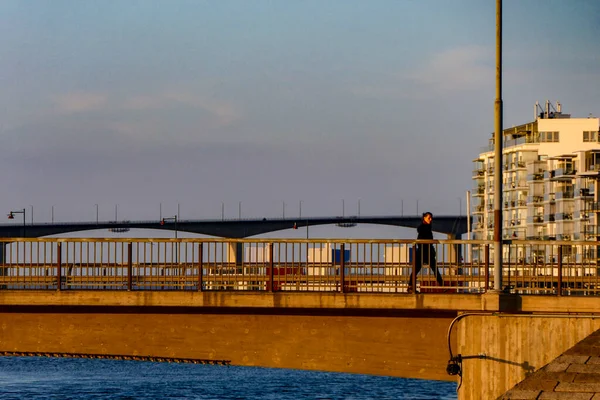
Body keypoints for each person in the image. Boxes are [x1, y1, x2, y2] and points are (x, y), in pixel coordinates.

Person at [409, 212, 444, 292]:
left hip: (424, 252)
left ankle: (410, 286)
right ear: (424, 218)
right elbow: (422, 240)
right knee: (433, 268)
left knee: (417, 270)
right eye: (429, 218)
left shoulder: (425, 228)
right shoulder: (424, 228)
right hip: (424, 252)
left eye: (431, 218)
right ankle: (442, 285)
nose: (430, 219)